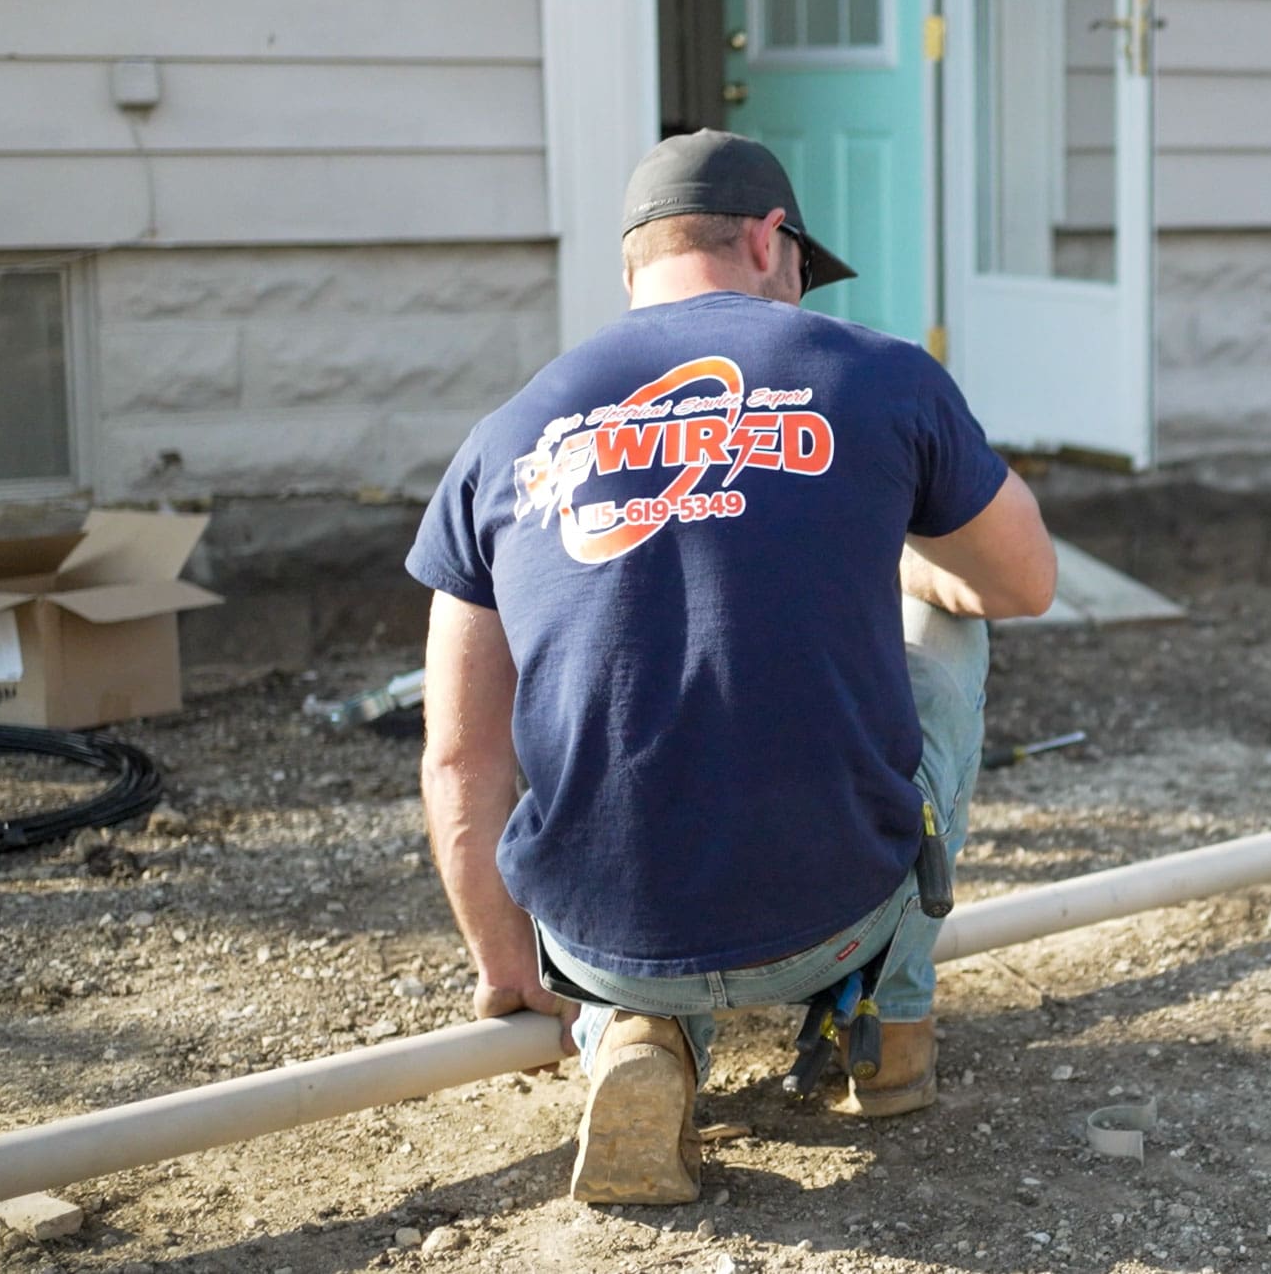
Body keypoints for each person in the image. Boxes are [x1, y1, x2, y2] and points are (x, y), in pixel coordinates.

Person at [408, 130, 1056, 1205]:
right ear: (769, 242)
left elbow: (458, 755)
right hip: (834, 912)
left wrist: (508, 965)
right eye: (800, 265)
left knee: (618, 835)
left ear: (633, 270)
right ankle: (885, 1028)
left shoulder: (502, 435)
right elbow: (1023, 583)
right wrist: (895, 556)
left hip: (594, 938)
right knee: (947, 625)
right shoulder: (876, 372)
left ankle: (635, 1037)